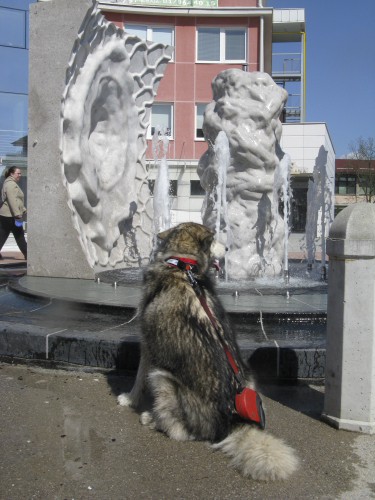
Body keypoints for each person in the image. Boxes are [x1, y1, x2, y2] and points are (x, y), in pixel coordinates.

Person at [0, 166, 27, 259]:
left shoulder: (10, 183)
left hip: (8, 215)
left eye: (20, 173)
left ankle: (28, 254)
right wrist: (17, 214)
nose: (20, 175)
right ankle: (29, 255)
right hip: (10, 215)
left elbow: (17, 200)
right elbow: (12, 200)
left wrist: (23, 209)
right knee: (19, 236)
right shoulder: (11, 184)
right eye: (18, 173)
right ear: (12, 174)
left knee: (3, 235)